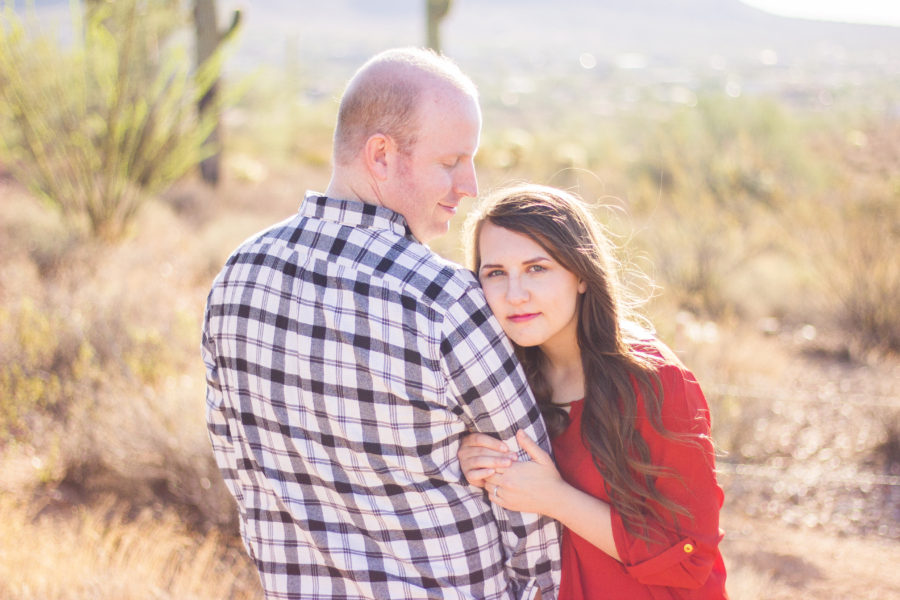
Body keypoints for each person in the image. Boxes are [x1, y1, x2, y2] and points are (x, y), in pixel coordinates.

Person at [201, 48, 560, 600]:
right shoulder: (443, 299)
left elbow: (236, 461)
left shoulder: (238, 273)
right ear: (381, 156)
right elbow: (531, 495)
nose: (469, 185)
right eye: (450, 162)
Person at [457, 184, 728, 599]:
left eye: (537, 268)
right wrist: (476, 458)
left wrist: (555, 497)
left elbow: (690, 557)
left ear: (582, 274)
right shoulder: (501, 379)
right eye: (496, 273)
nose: (515, 294)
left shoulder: (654, 381)